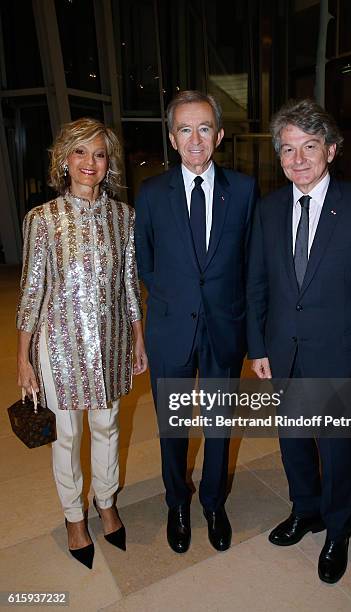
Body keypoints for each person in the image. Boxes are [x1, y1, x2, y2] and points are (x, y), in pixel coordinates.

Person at [247, 98, 351, 583]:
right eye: (288, 149)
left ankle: (336, 526)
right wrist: (259, 347)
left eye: (309, 146)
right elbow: (258, 286)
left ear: (330, 150)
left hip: (340, 355)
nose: (298, 159)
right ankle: (304, 510)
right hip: (283, 352)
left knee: (336, 448)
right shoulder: (268, 210)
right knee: (292, 442)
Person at [16, 117, 148, 569]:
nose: (89, 162)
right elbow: (32, 291)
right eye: (79, 152)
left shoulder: (123, 218)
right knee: (67, 434)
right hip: (58, 346)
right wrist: (23, 357)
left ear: (108, 162)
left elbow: (129, 284)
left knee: (108, 426)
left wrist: (137, 337)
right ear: (63, 159)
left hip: (110, 344)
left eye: (98, 153)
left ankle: (105, 501)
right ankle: (75, 514)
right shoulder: (43, 219)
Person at [135, 90, 257, 554]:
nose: (195, 139)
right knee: (173, 423)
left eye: (204, 128)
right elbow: (145, 264)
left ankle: (212, 502)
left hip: (225, 327)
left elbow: (251, 266)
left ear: (219, 134)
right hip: (171, 329)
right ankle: (177, 502)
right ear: (172, 138)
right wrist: (172, 300)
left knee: (220, 423)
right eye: (184, 129)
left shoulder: (244, 191)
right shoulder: (151, 195)